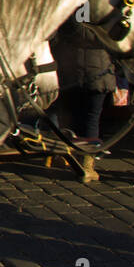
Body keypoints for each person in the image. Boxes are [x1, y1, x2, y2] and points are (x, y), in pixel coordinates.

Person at [49, 19, 113, 182]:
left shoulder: (71, 14)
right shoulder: (104, 14)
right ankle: (86, 165)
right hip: (99, 73)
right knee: (91, 120)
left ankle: (62, 154)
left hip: (71, 71)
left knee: (68, 116)